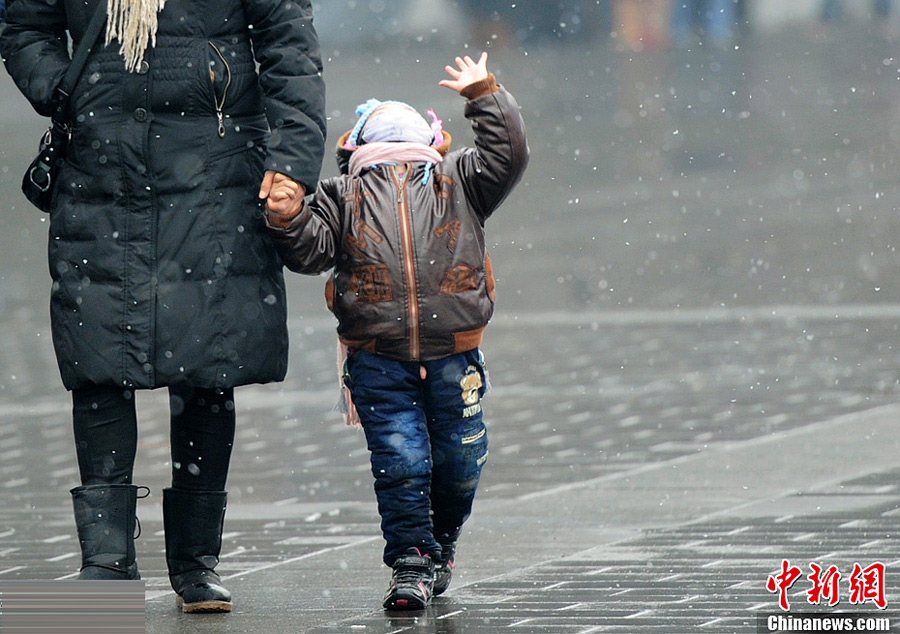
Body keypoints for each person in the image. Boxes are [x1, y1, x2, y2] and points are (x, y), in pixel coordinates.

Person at [0, 0, 326, 614]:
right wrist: (61, 88)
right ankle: (106, 564)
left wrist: (292, 165)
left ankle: (196, 566)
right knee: (97, 364)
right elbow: (24, 23)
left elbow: (289, 47)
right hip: (99, 173)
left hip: (216, 176)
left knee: (209, 369)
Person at [264, 52, 528, 610]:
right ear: (358, 151)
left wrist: (485, 94)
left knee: (452, 465)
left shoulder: (458, 180)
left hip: (451, 356)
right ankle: (411, 561)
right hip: (379, 359)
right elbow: (312, 250)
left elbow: (506, 155)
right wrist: (287, 216)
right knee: (406, 464)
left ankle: (436, 547)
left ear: (433, 145)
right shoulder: (342, 195)